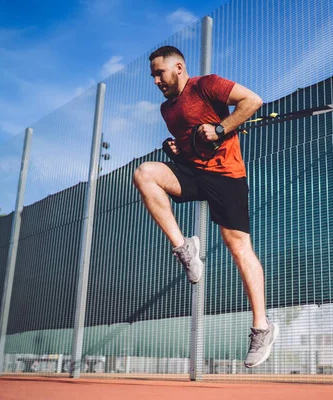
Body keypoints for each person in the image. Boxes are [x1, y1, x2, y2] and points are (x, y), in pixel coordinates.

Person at [133, 45, 278, 368]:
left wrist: (221, 128)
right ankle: (184, 248)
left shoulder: (207, 84)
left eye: (160, 73)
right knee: (145, 174)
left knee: (238, 247)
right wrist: (176, 153)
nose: (156, 80)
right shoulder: (166, 109)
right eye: (153, 75)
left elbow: (252, 101)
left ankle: (262, 327)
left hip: (227, 176)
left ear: (179, 67)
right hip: (194, 173)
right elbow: (192, 147)